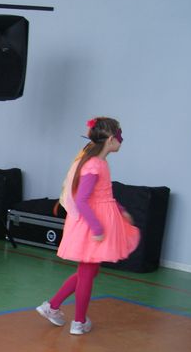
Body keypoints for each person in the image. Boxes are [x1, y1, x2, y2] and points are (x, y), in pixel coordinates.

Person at [36, 118, 140, 335]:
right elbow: (82, 200)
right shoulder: (93, 165)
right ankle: (78, 321)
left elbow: (103, 194)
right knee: (87, 272)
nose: (122, 140)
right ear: (110, 139)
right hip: (91, 225)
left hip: (97, 221)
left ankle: (52, 306)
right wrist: (97, 228)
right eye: (119, 136)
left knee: (89, 271)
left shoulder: (100, 163)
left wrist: (120, 210)